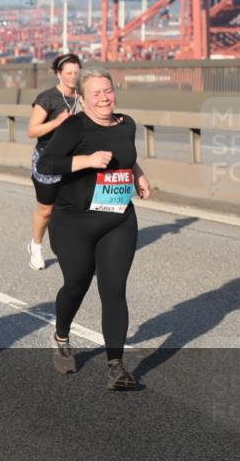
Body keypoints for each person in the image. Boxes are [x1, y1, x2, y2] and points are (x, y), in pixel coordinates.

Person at [36, 67, 151, 391]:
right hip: (74, 221)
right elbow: (47, 163)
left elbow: (127, 157)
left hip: (117, 217)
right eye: (96, 93)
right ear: (83, 99)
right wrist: (85, 160)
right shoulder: (75, 126)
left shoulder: (126, 124)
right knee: (76, 284)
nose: (104, 98)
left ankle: (116, 366)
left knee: (114, 290)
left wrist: (138, 175)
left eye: (108, 91)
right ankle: (61, 335)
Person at [26, 53, 82, 270]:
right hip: (47, 159)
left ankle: (75, 252)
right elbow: (32, 131)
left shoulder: (83, 96)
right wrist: (57, 121)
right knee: (47, 210)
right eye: (68, 73)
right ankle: (36, 245)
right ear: (59, 74)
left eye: (76, 72)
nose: (73, 77)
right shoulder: (47, 98)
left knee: (75, 208)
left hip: (74, 160)